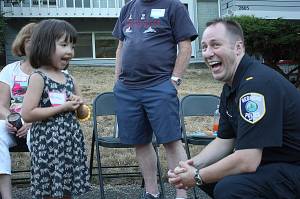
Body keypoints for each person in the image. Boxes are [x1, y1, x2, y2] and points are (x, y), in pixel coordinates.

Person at [168, 18, 300, 199]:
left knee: (230, 188)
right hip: (273, 164)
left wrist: (196, 177)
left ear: (238, 48)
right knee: (210, 175)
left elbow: (248, 160)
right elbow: (225, 140)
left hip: (293, 166)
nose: (207, 53)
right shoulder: (231, 86)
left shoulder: (256, 85)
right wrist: (191, 166)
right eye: (204, 47)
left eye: (215, 45)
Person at [112, 0, 198, 198]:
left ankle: (181, 195)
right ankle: (151, 193)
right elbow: (120, 47)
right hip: (128, 89)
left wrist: (175, 80)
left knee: (171, 141)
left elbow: (185, 47)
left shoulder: (174, 7)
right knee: (140, 142)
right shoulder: (128, 8)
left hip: (160, 86)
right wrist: (117, 81)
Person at [21, 19, 90, 199]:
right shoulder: (38, 77)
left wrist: (79, 104)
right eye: (64, 44)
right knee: (50, 188)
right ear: (44, 45)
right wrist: (62, 108)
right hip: (47, 143)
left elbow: (82, 115)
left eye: (72, 46)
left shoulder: (70, 79)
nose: (70, 51)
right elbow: (27, 114)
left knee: (67, 186)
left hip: (70, 142)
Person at [0, 22, 36, 199]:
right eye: (29, 39)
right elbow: (1, 105)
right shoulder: (9, 70)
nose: (33, 44)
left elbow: (55, 107)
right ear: (22, 43)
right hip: (12, 123)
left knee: (41, 133)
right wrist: (10, 118)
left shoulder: (51, 71)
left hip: (37, 123)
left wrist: (30, 122)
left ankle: (43, 192)